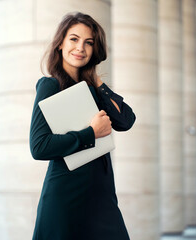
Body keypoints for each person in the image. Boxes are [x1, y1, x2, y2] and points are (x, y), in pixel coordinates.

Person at [29, 12, 136, 240]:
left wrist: (95, 79)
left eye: (89, 43)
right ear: (60, 43)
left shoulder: (95, 90)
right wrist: (91, 133)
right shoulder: (50, 85)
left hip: (101, 195)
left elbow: (126, 121)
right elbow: (39, 146)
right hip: (66, 196)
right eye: (74, 39)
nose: (81, 48)